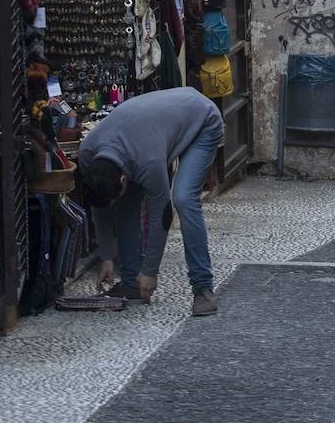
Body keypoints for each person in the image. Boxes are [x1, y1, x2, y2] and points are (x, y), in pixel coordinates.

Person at [76, 87, 225, 316]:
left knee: (183, 199)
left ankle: (202, 289)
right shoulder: (88, 153)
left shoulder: (148, 162)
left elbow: (161, 216)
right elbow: (101, 207)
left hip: (202, 120)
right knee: (124, 203)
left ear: (124, 178)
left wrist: (150, 271)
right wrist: (105, 256)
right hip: (150, 133)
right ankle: (131, 282)